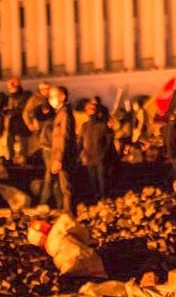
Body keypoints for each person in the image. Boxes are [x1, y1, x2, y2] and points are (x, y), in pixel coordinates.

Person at [49, 86, 78, 214]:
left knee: (66, 187)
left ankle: (69, 213)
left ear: (62, 97)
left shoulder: (65, 114)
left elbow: (63, 137)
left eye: (53, 96)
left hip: (64, 157)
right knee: (63, 186)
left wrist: (58, 159)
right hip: (61, 155)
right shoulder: (61, 113)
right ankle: (66, 211)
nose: (51, 99)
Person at [79, 100, 113, 200]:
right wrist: (82, 153)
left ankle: (103, 198)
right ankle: (96, 197)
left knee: (102, 178)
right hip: (89, 156)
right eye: (89, 109)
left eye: (93, 109)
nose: (91, 111)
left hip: (100, 156)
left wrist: (104, 153)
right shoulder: (85, 126)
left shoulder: (103, 125)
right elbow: (80, 141)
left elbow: (109, 141)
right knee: (92, 179)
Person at [3, 77, 31, 163]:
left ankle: (24, 160)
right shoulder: (10, 97)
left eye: (12, 84)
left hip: (21, 124)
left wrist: (9, 112)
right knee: (10, 141)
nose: (10, 87)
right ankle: (12, 159)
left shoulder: (25, 95)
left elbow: (22, 109)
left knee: (23, 144)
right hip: (12, 124)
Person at [22, 81, 50, 156]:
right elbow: (26, 112)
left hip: (48, 124)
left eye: (47, 89)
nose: (46, 91)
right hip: (38, 124)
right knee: (37, 144)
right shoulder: (34, 99)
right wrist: (29, 124)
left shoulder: (50, 98)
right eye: (44, 89)